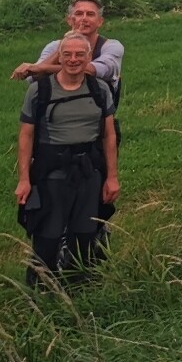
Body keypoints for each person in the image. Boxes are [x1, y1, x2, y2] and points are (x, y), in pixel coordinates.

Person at [16, 31, 120, 288]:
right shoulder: (39, 90)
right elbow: (26, 136)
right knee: (47, 235)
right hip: (51, 172)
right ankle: (41, 290)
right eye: (67, 54)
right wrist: (24, 180)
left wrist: (112, 177)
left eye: (80, 55)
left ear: (88, 58)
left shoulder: (100, 89)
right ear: (58, 57)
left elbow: (108, 136)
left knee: (86, 232)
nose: (73, 59)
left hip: (89, 172)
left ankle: (79, 287)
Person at [12, 0, 125, 107]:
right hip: (54, 111)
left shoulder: (111, 47)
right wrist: (60, 49)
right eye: (79, 14)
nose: (84, 19)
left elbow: (94, 71)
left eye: (90, 14)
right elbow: (34, 78)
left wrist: (39, 67)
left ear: (100, 21)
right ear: (69, 20)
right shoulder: (53, 46)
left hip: (96, 112)